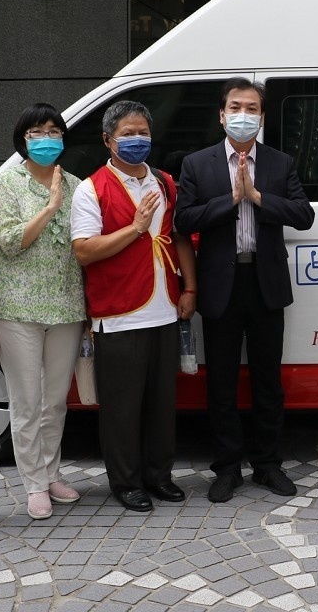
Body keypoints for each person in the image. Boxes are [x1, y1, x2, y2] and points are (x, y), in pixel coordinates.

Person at [174, 78, 316, 504]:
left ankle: (268, 464)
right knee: (220, 381)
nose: (242, 115)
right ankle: (227, 468)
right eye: (235, 107)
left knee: (267, 380)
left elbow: (303, 215)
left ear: (262, 116)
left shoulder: (279, 162)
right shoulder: (197, 164)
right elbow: (184, 220)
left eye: (251, 108)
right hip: (220, 284)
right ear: (221, 114)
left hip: (265, 282)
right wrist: (231, 201)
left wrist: (256, 195)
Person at [71, 100, 197, 512]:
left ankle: (159, 476)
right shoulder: (91, 189)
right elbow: (85, 250)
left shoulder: (163, 182)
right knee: (122, 407)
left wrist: (189, 289)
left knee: (162, 403)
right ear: (108, 140)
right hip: (118, 310)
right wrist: (135, 229)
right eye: (127, 133)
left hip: (164, 306)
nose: (136, 140)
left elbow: (178, 238)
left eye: (142, 132)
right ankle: (126, 482)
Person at [0, 103, 86, 521]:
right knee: (26, 401)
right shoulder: (6, 184)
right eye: (36, 132)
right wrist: (49, 207)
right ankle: (32, 484)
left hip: (66, 305)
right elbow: (10, 242)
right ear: (22, 139)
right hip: (19, 307)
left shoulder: (78, 184)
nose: (46, 138)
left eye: (53, 131)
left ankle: (50, 473)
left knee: (55, 402)